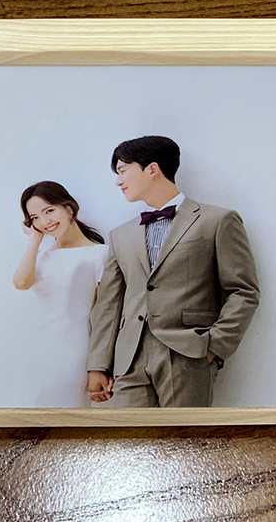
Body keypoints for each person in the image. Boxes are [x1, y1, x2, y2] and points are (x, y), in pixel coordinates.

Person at [86, 136, 259, 408]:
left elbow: (243, 291)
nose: (118, 181)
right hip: (129, 360)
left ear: (152, 169)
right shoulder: (120, 235)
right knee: (130, 436)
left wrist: (213, 346)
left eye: (122, 171)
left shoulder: (217, 221)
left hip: (188, 353)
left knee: (184, 435)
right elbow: (108, 304)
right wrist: (98, 364)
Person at [13, 181, 107, 407]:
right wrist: (34, 240)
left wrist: (98, 367)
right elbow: (21, 282)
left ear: (69, 208)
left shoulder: (99, 254)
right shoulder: (40, 256)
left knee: (60, 415)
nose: (45, 222)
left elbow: (104, 317)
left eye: (49, 211)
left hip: (71, 351)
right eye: (35, 218)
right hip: (34, 351)